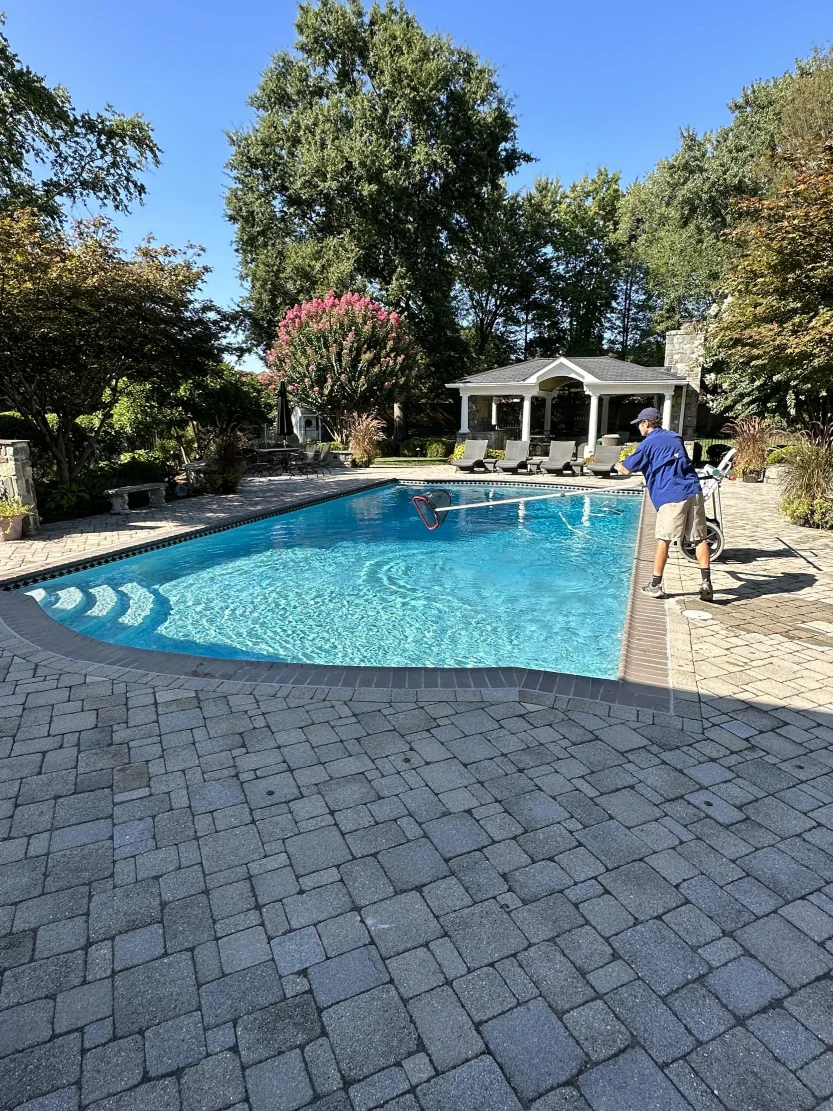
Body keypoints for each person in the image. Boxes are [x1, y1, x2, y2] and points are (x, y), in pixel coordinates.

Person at [616, 407, 713, 602]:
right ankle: (706, 582)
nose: (639, 428)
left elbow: (625, 469)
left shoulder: (648, 443)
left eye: (640, 424)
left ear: (647, 423)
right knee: (699, 538)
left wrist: (617, 465)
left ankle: (655, 585)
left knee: (664, 539)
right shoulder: (675, 437)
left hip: (671, 495)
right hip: (693, 490)